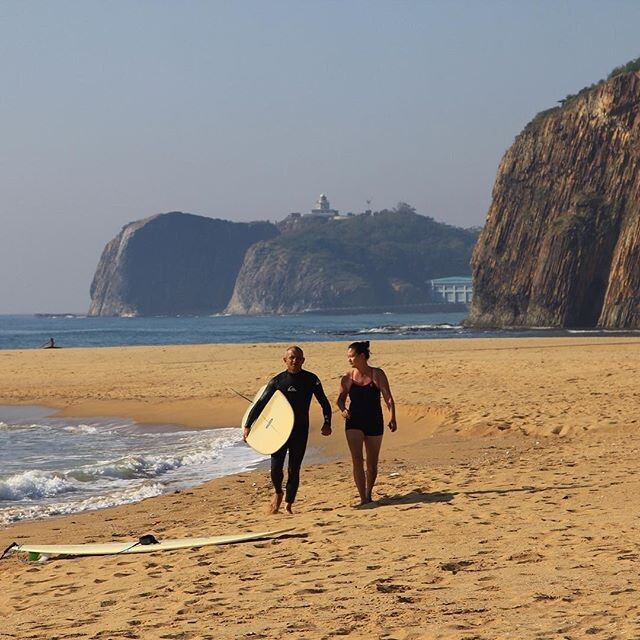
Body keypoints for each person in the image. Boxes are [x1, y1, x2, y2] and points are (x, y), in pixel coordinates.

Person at [243, 346, 332, 515]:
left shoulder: (311, 379)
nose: (295, 361)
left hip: (300, 429)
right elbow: (260, 404)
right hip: (279, 431)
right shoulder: (277, 381)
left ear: (303, 360)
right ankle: (278, 491)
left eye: (298, 358)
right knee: (276, 468)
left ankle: (288, 504)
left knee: (294, 468)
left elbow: (324, 402)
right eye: (291, 358)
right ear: (285, 360)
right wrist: (248, 425)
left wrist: (327, 423)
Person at [337, 340, 396, 506]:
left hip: (374, 420)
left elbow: (388, 397)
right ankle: (362, 498)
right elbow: (340, 400)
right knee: (357, 460)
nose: (349, 360)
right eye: (348, 357)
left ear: (362, 356)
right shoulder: (347, 377)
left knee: (372, 463)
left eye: (351, 356)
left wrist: (392, 416)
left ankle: (369, 493)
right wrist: (343, 409)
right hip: (354, 421)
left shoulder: (377, 374)